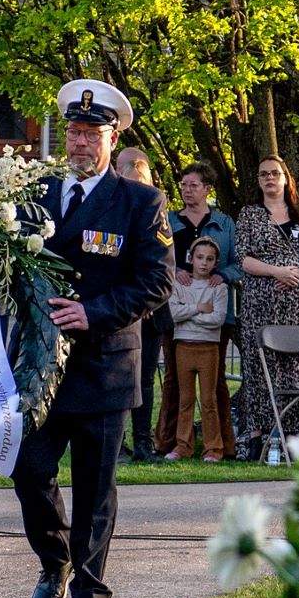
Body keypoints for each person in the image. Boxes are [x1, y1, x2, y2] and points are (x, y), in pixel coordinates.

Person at [12, 78, 172, 598]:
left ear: (112, 138)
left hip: (105, 363)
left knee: (96, 487)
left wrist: (94, 312)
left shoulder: (140, 201)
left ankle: (89, 595)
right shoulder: (32, 194)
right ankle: (55, 558)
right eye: (74, 133)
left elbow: (156, 283)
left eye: (92, 134)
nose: (80, 144)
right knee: (29, 469)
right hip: (39, 368)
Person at [157, 162, 239, 458]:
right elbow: (158, 259)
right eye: (183, 184)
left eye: (193, 185)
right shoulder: (168, 220)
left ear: (207, 189)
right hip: (178, 311)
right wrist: (176, 271)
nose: (186, 189)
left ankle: (220, 446)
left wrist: (224, 275)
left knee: (215, 385)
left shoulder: (223, 223)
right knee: (175, 384)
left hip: (215, 316)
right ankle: (171, 443)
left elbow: (236, 261)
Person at [237, 156, 299, 459]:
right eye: (263, 174)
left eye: (275, 173)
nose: (269, 178)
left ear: (286, 178)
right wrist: (277, 272)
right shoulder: (250, 215)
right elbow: (243, 258)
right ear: (259, 181)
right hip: (261, 302)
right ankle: (259, 438)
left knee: (296, 370)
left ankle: (295, 438)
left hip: (298, 303)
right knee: (260, 369)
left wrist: (295, 273)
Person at [115, 147, 165, 460]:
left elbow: (162, 266)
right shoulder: (112, 212)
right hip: (122, 310)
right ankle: (117, 444)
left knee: (145, 380)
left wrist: (147, 298)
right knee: (120, 379)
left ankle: (143, 443)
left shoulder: (156, 214)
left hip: (152, 312)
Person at [166, 238, 232, 461]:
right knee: (185, 399)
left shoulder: (220, 288)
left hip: (208, 348)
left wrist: (189, 314)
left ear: (215, 263)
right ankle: (182, 445)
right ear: (190, 259)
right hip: (183, 346)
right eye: (199, 257)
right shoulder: (179, 285)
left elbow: (217, 319)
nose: (204, 263)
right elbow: (174, 315)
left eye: (209, 259)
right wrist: (199, 308)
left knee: (208, 399)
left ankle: (213, 448)